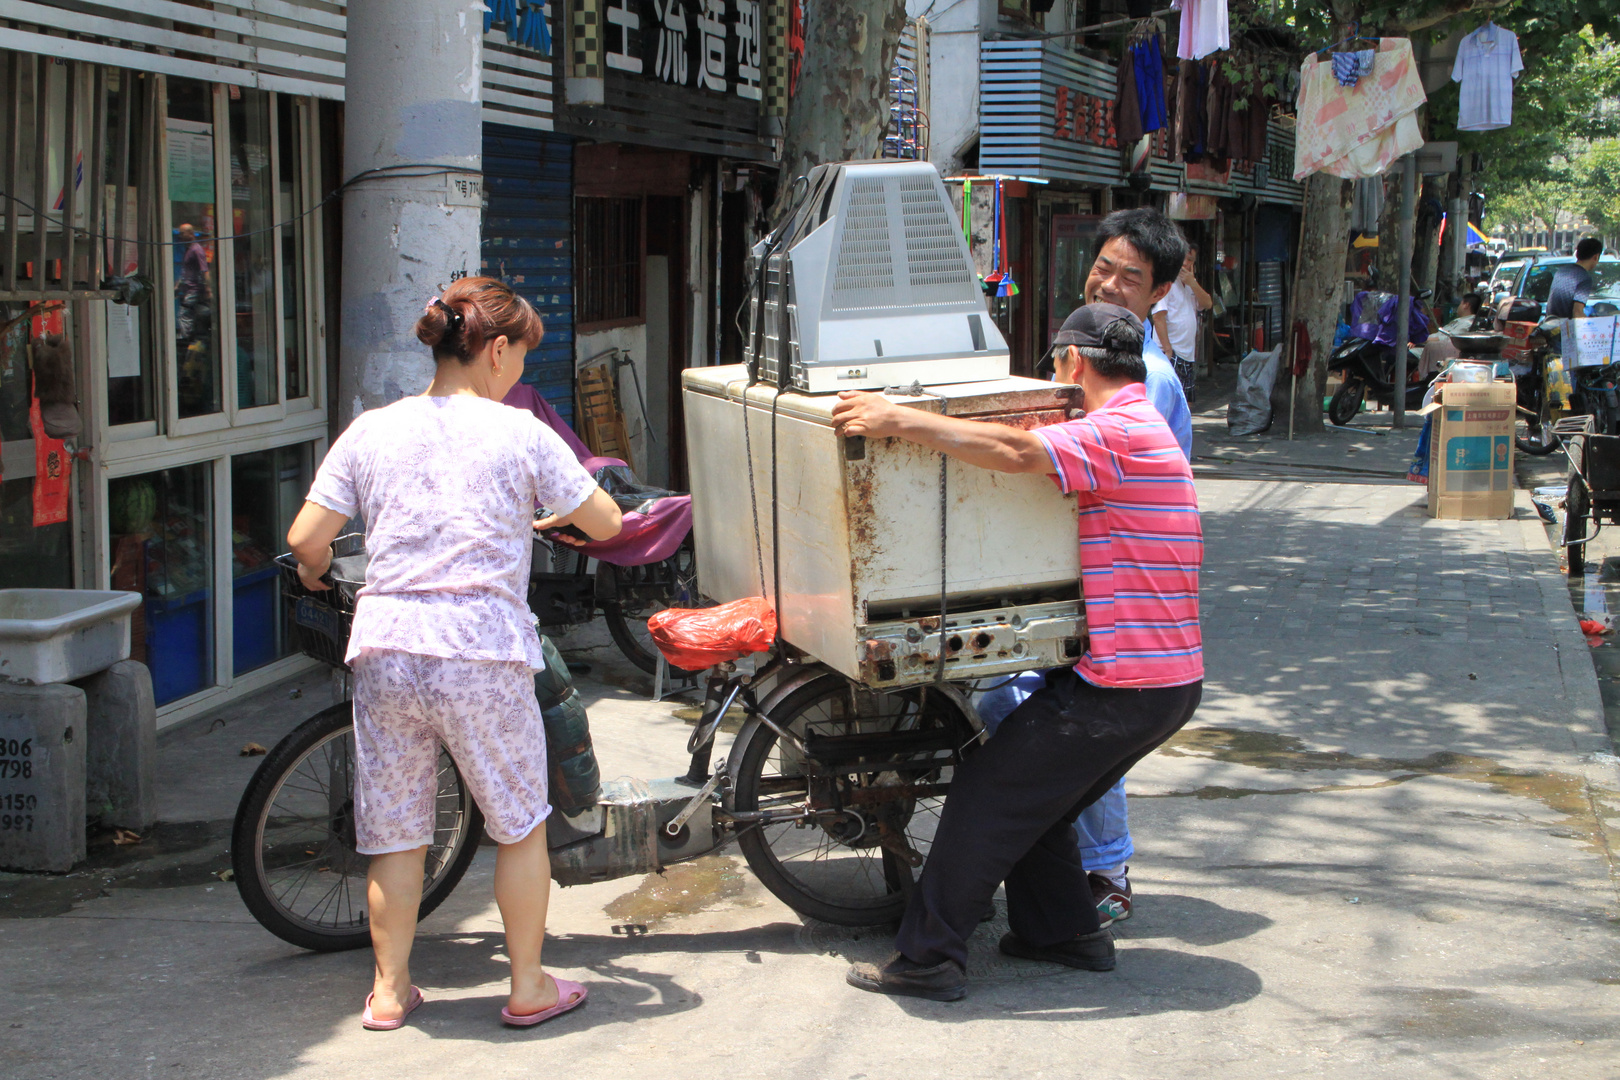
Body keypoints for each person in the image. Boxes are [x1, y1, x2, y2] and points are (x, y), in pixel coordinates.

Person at [831, 304, 1203, 1000]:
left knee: (986, 788)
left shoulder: (1116, 430)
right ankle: (1062, 932)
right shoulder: (1142, 425)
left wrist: (894, 419)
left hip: (1127, 686)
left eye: (1055, 365)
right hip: (1165, 683)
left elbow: (1016, 454)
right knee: (1039, 799)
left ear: (1075, 363)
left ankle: (930, 960)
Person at [286, 277, 623, 1030]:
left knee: (397, 831)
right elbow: (602, 522)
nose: (519, 379)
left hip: (387, 651)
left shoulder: (371, 431)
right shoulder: (520, 433)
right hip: (481, 653)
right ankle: (529, 986)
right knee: (518, 825)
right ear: (496, 351)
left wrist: (314, 571)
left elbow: (307, 540)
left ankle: (387, 992)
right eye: (520, 362)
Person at [1012, 208, 1196, 930]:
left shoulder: (1142, 375)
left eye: (1133, 277)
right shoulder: (1093, 348)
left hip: (1116, 578)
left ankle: (1105, 865)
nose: (1112, 283)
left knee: (1081, 712)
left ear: (1159, 295)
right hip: (1094, 563)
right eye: (1106, 267)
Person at [1150, 241, 1214, 398]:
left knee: (1186, 402)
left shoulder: (1190, 284)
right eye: (1183, 259)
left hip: (1187, 353)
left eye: (1190, 260)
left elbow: (1207, 303)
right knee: (1170, 399)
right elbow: (1158, 316)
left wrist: (1193, 283)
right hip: (1172, 352)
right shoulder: (1167, 282)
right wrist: (1167, 349)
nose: (1186, 263)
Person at [1548, 238, 1604, 318]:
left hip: (1551, 324)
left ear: (1577, 253)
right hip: (1567, 328)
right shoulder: (1584, 278)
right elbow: (1577, 313)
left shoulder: (1561, 271)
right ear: (1596, 257)